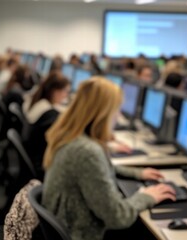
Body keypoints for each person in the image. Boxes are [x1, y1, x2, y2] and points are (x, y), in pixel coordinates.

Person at [42, 77, 176, 240]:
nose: (118, 115)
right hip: (83, 233)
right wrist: (147, 196)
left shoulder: (69, 136)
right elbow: (118, 217)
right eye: (116, 110)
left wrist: (137, 174)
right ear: (102, 113)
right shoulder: (87, 151)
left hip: (70, 223)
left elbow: (99, 169)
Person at [22, 72, 70, 179]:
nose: (66, 95)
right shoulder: (50, 114)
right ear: (55, 91)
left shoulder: (40, 102)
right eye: (65, 91)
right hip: (42, 166)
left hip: (34, 157)